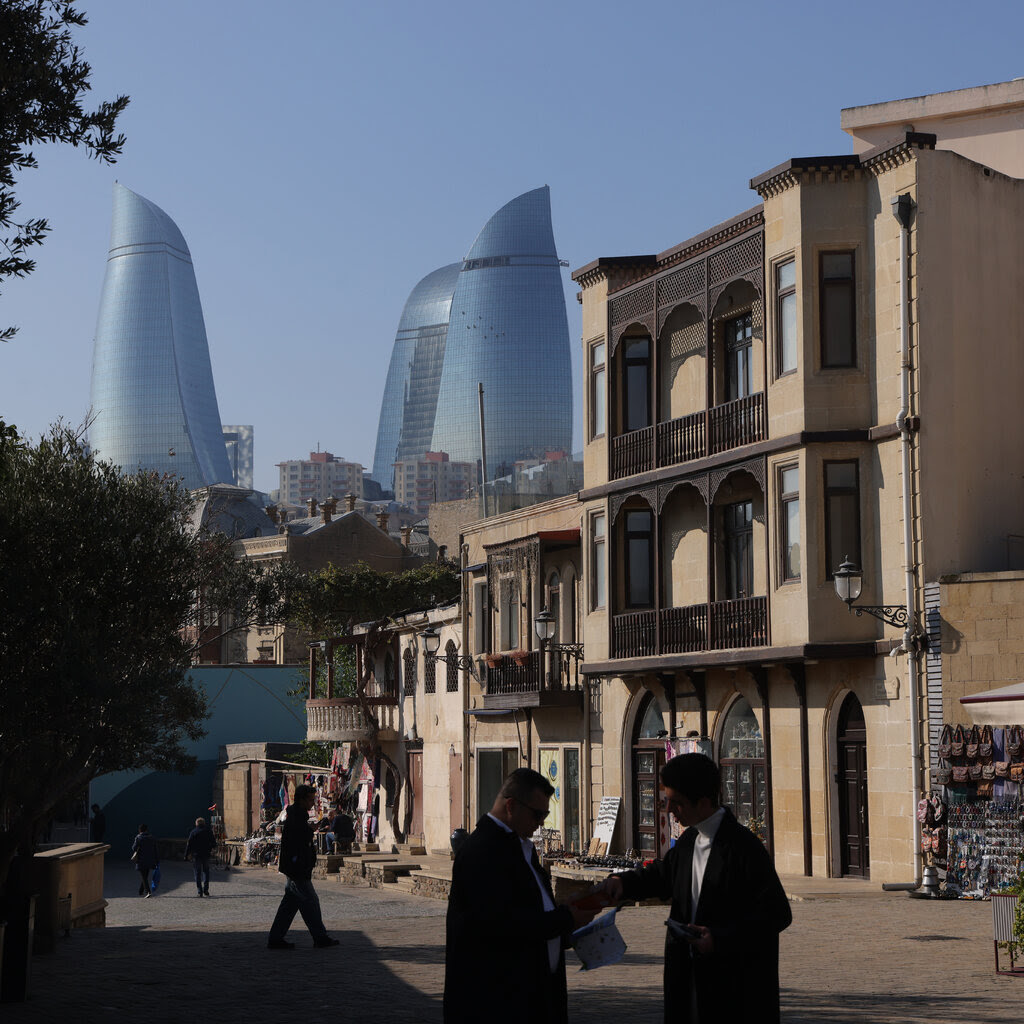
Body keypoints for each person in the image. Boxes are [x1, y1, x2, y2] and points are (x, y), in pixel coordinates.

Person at [596, 753, 791, 1024]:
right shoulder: (689, 839)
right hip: (687, 979)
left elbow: (777, 913)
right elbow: (663, 875)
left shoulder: (744, 848)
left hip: (733, 988)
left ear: (704, 802)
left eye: (676, 803)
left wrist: (719, 938)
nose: (669, 811)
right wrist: (623, 883)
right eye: (667, 801)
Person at [443, 768, 597, 1024]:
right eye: (538, 814)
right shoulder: (482, 852)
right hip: (497, 1002)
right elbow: (504, 925)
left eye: (545, 814)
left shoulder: (519, 847)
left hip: (533, 996)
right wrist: (564, 919)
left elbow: (529, 910)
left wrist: (565, 913)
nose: (541, 822)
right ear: (512, 806)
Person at [267, 784, 340, 949]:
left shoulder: (297, 815)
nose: (312, 803)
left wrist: (309, 829)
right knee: (310, 901)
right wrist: (309, 831)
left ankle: (276, 938)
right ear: (301, 799)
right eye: (310, 799)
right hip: (296, 867)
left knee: (289, 905)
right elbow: (296, 841)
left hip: (295, 866)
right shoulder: (296, 816)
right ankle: (320, 937)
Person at [185, 816, 217, 897]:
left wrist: (187, 855)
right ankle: (206, 890)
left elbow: (189, 845)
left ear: (196, 824)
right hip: (206, 854)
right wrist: (213, 849)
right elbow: (213, 842)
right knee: (206, 872)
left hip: (197, 855)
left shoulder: (193, 832)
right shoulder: (208, 831)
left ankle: (200, 891)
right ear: (204, 823)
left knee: (197, 873)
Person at [131, 824, 160, 898]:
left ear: (139, 830)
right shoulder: (152, 838)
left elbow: (134, 848)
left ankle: (148, 892)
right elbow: (156, 850)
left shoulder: (138, 838)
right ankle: (141, 891)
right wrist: (157, 861)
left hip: (141, 860)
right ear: (147, 830)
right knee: (145, 876)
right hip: (150, 860)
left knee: (144, 876)